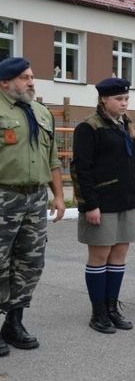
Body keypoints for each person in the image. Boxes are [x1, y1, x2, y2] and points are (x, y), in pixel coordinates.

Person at [0, 57, 64, 356]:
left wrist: (59, 196)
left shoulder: (42, 112)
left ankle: (14, 322)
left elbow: (52, 159)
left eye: (32, 75)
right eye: (25, 77)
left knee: (30, 262)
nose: (31, 81)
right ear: (5, 82)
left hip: (35, 199)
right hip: (3, 196)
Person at [71, 77, 135, 333]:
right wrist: (89, 204)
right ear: (104, 99)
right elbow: (82, 169)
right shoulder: (89, 127)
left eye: (126, 98)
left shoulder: (127, 125)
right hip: (101, 202)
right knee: (99, 257)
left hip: (125, 201)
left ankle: (112, 308)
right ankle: (98, 312)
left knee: (119, 255)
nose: (124, 103)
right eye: (118, 99)